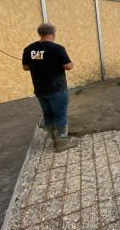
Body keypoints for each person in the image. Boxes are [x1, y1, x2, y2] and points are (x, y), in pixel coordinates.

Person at [22, 23, 78, 152]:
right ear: (53, 34)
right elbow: (69, 66)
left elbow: (25, 67)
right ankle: (62, 143)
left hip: (40, 90)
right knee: (60, 116)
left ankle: (54, 138)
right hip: (57, 89)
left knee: (48, 115)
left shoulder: (29, 49)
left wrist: (39, 62)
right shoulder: (57, 49)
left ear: (40, 34)